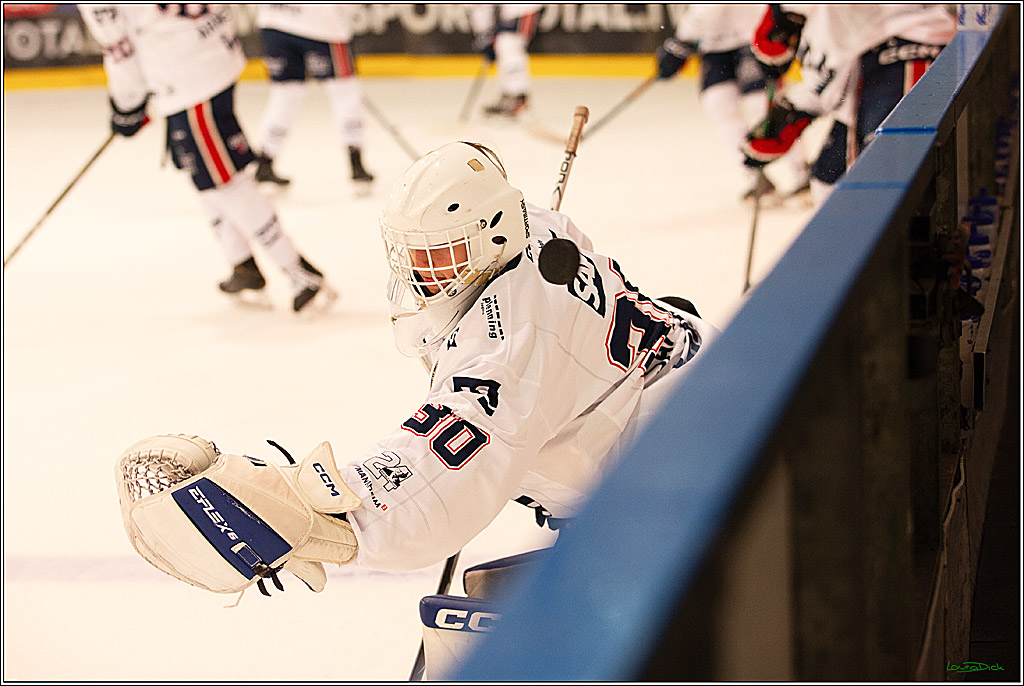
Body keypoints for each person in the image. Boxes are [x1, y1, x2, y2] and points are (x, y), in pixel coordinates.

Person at [114, 142, 719, 600]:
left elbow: (432, 478)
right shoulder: (536, 227)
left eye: (440, 256)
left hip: (678, 473)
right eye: (412, 254)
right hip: (688, 374)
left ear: (493, 234)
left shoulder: (508, 348)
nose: (420, 274)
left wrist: (308, 515)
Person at [81, 4, 335, 313]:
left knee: (226, 182)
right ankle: (242, 265)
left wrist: (127, 105)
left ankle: (299, 271)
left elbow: (118, 46)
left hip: (187, 80)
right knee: (201, 171)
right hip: (211, 55)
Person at [742, 4, 955, 204]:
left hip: (916, 44)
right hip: (869, 59)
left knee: (887, 176)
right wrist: (791, 113)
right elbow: (831, 55)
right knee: (828, 181)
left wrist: (782, 13)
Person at [655, 3, 810, 201]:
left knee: (762, 103)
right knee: (718, 104)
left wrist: (682, 38)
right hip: (713, 46)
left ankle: (803, 172)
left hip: (751, 34)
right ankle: (756, 177)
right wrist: (683, 42)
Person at [251, 4, 375, 193]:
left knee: (286, 94)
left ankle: (265, 162)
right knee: (345, 93)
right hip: (322, 26)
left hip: (275, 22)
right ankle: (356, 164)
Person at [469, 4, 543, 117]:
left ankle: (517, 96)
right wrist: (485, 36)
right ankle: (509, 94)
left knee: (509, 43)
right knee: (504, 45)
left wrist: (484, 35)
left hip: (524, 8)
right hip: (509, 13)